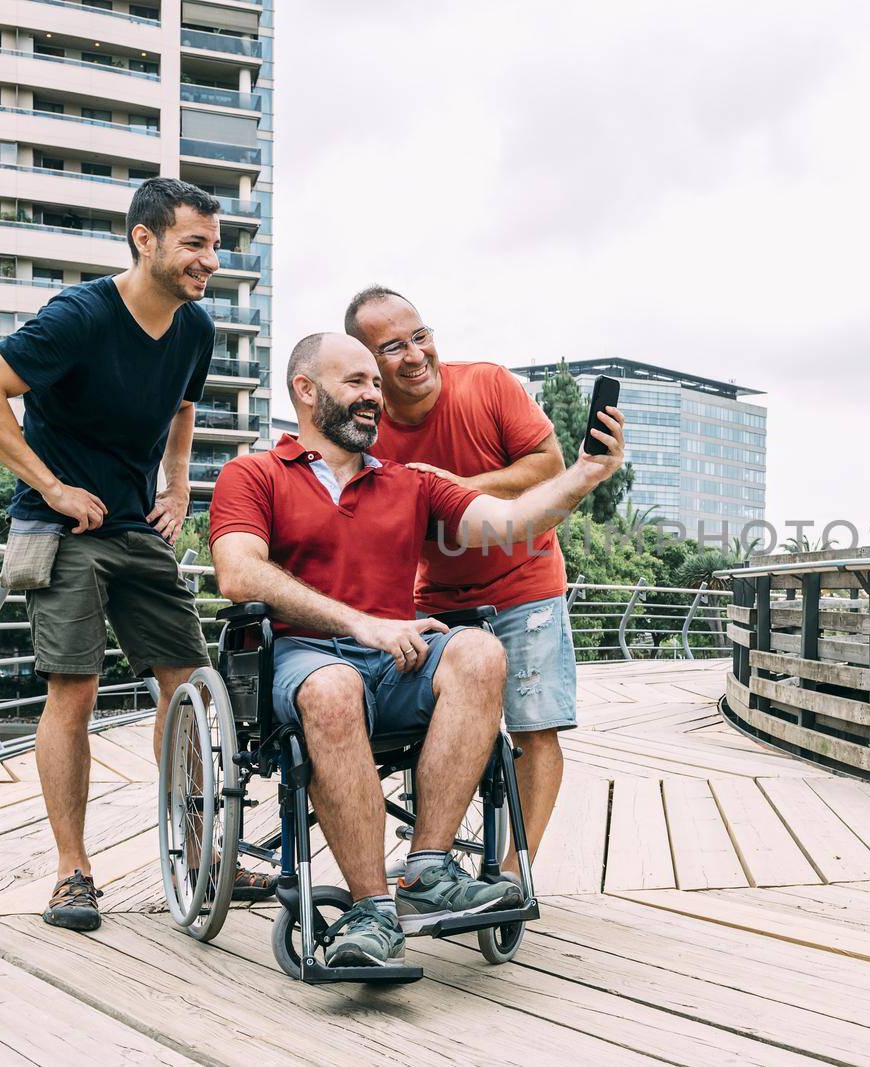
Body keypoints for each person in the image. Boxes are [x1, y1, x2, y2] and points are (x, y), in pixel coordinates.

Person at [208, 331, 625, 967]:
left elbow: (510, 521)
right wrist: (358, 624)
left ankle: (427, 872)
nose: (375, 395)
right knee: (332, 687)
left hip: (395, 658)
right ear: (305, 389)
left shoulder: (410, 484)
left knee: (480, 652)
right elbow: (238, 573)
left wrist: (584, 476)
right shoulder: (254, 473)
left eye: (376, 384)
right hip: (302, 659)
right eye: (356, 383)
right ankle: (370, 910)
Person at [0, 177, 243, 934]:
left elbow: (183, 405)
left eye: (216, 244)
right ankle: (73, 871)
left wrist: (178, 486)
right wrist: (52, 484)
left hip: (137, 526)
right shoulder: (78, 316)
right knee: (72, 690)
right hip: (63, 528)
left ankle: (206, 847)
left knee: (190, 686)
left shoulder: (194, 327)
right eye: (195, 243)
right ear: (144, 238)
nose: (211, 259)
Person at [344, 287, 573, 882]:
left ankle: (513, 872)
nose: (415, 355)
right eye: (392, 347)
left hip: (526, 584)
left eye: (420, 336)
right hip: (438, 599)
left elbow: (548, 468)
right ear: (368, 364)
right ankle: (432, 859)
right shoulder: (365, 430)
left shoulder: (487, 385)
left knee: (533, 727)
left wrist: (453, 483)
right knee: (423, 726)